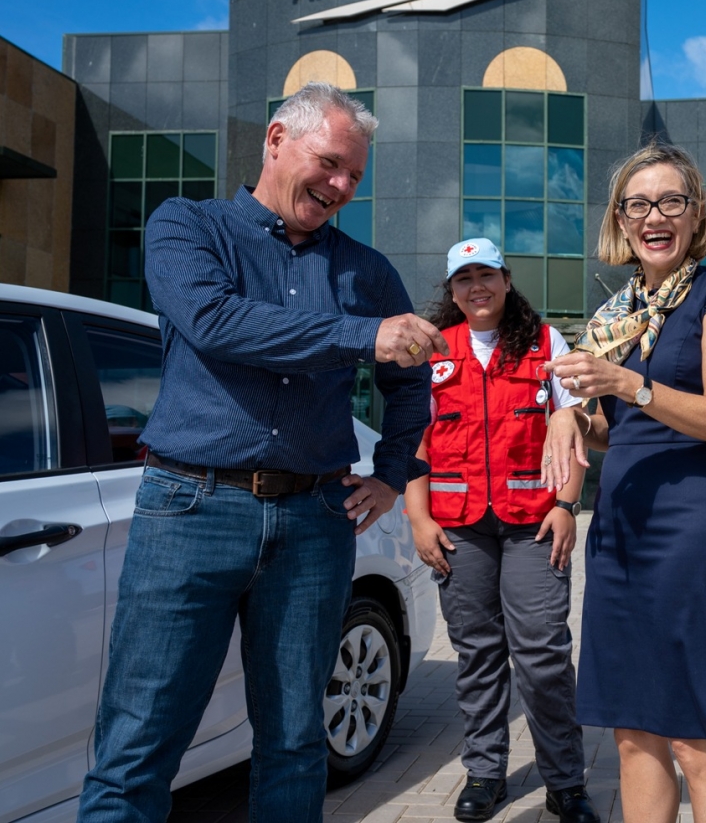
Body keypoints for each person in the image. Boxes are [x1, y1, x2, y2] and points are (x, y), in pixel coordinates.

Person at [77, 82, 448, 823]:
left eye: (354, 178)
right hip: (190, 508)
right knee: (138, 745)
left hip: (315, 521)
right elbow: (218, 323)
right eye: (331, 163)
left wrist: (394, 473)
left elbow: (411, 385)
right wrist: (358, 335)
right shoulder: (188, 226)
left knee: (294, 741)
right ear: (278, 139)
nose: (341, 186)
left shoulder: (367, 271)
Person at [541, 143, 706, 823]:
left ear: (695, 214)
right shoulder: (617, 315)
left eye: (670, 201)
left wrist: (627, 383)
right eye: (638, 204)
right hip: (622, 531)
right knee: (633, 734)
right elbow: (614, 430)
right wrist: (568, 419)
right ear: (620, 219)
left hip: (690, 530)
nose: (654, 216)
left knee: (696, 740)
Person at [402, 238, 598, 823]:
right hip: (459, 529)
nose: (476, 287)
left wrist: (567, 504)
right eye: (463, 278)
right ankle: (485, 772)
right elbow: (413, 446)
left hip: (532, 525)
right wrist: (418, 518)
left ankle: (565, 778)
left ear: (507, 280)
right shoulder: (432, 353)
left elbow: (572, 428)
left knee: (541, 651)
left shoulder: (545, 343)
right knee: (478, 653)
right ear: (451, 290)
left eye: (486, 274)